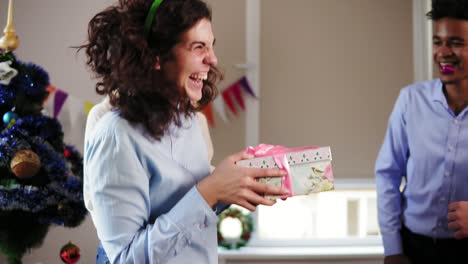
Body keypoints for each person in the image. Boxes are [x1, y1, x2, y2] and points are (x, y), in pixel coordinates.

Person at [80, 0, 289, 263]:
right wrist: (210, 191)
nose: (213, 59)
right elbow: (124, 259)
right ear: (155, 56)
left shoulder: (189, 123)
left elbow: (188, 210)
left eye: (211, 46)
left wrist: (235, 186)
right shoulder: (116, 136)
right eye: (198, 47)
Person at [375, 0, 468, 263]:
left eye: (456, 42)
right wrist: (393, 248)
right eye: (438, 42)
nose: (443, 52)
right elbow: (387, 174)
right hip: (414, 248)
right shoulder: (410, 101)